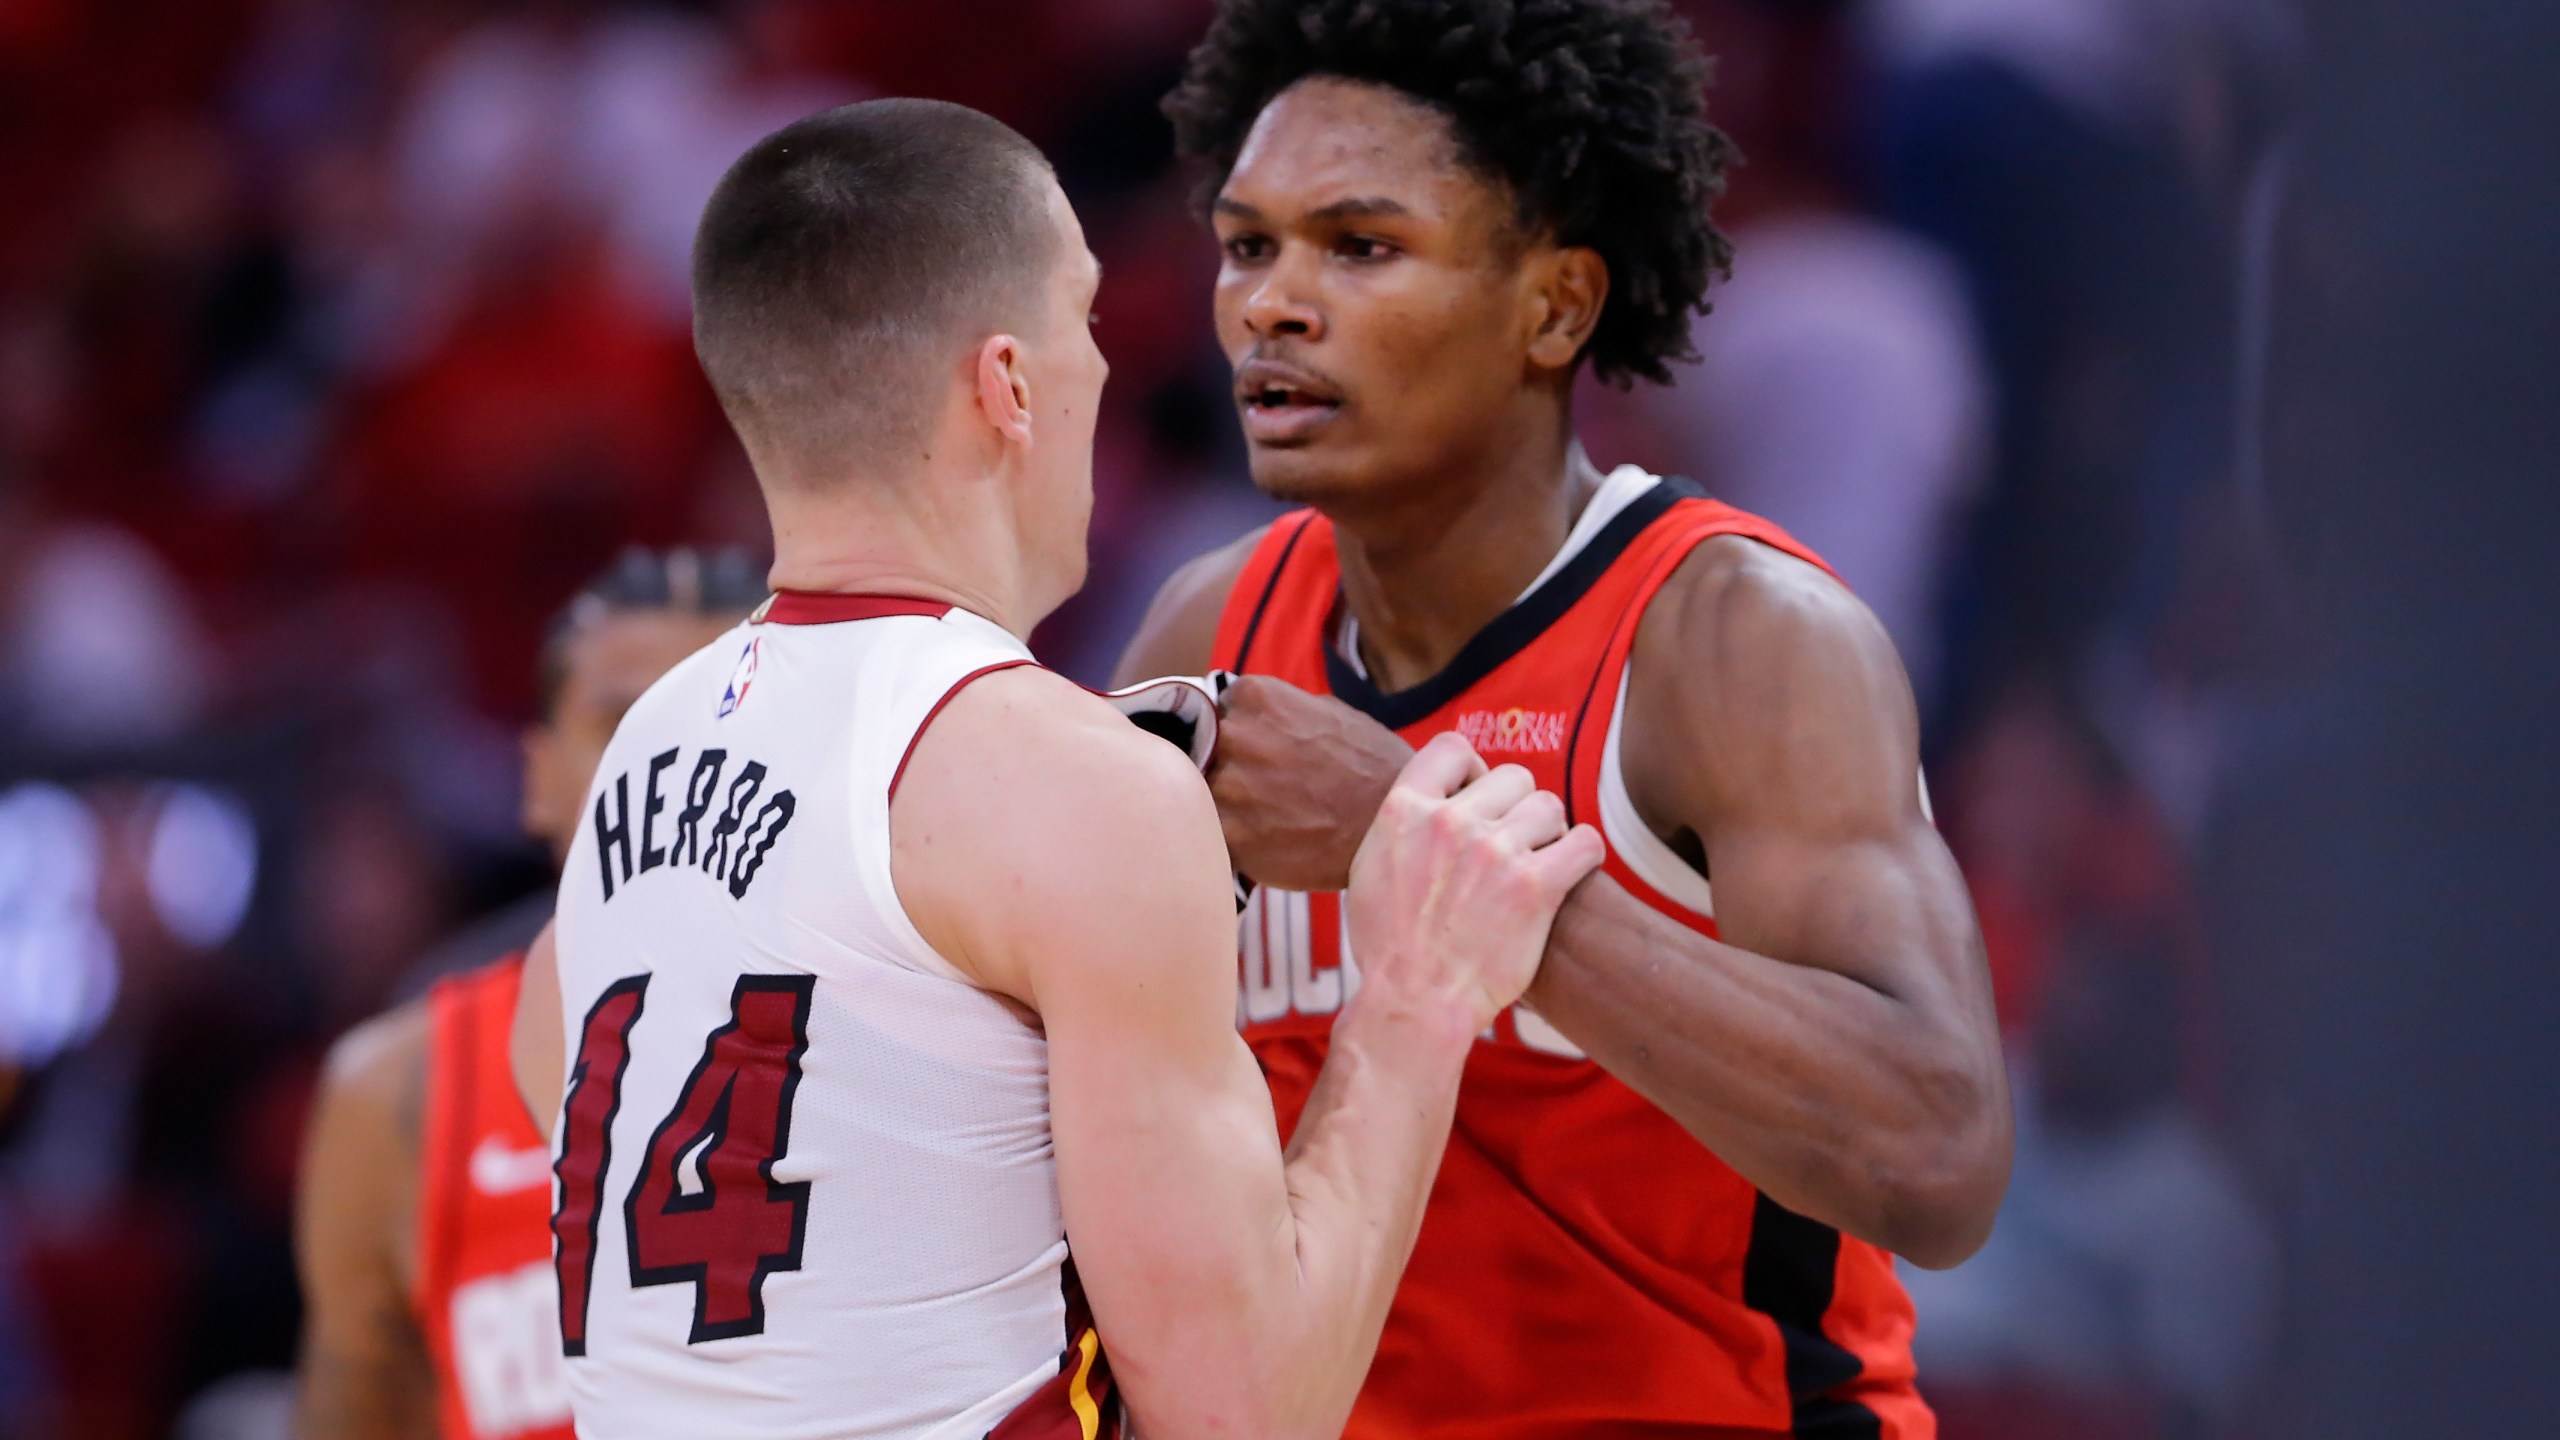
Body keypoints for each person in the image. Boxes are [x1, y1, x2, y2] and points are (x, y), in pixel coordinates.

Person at [511, 99, 1602, 1440]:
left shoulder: (639, 753)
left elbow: (587, 1087)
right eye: (1083, 322)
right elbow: (1244, 1414)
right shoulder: (1068, 785)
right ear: (1010, 385)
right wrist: (1420, 997)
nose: (1104, 368)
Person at [1113, 2, 2015, 1435]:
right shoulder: (1203, 632)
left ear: (1556, 306)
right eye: (1248, 245)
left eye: (1360, 247)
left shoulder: (1735, 638)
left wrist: (1425, 850)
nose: (1276, 303)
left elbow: (1937, 1150)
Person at [294, 548, 765, 1440]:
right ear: (537, 777)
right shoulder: (398, 1095)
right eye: (622, 720)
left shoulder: (922, 1032)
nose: (675, 760)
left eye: (729, 712)